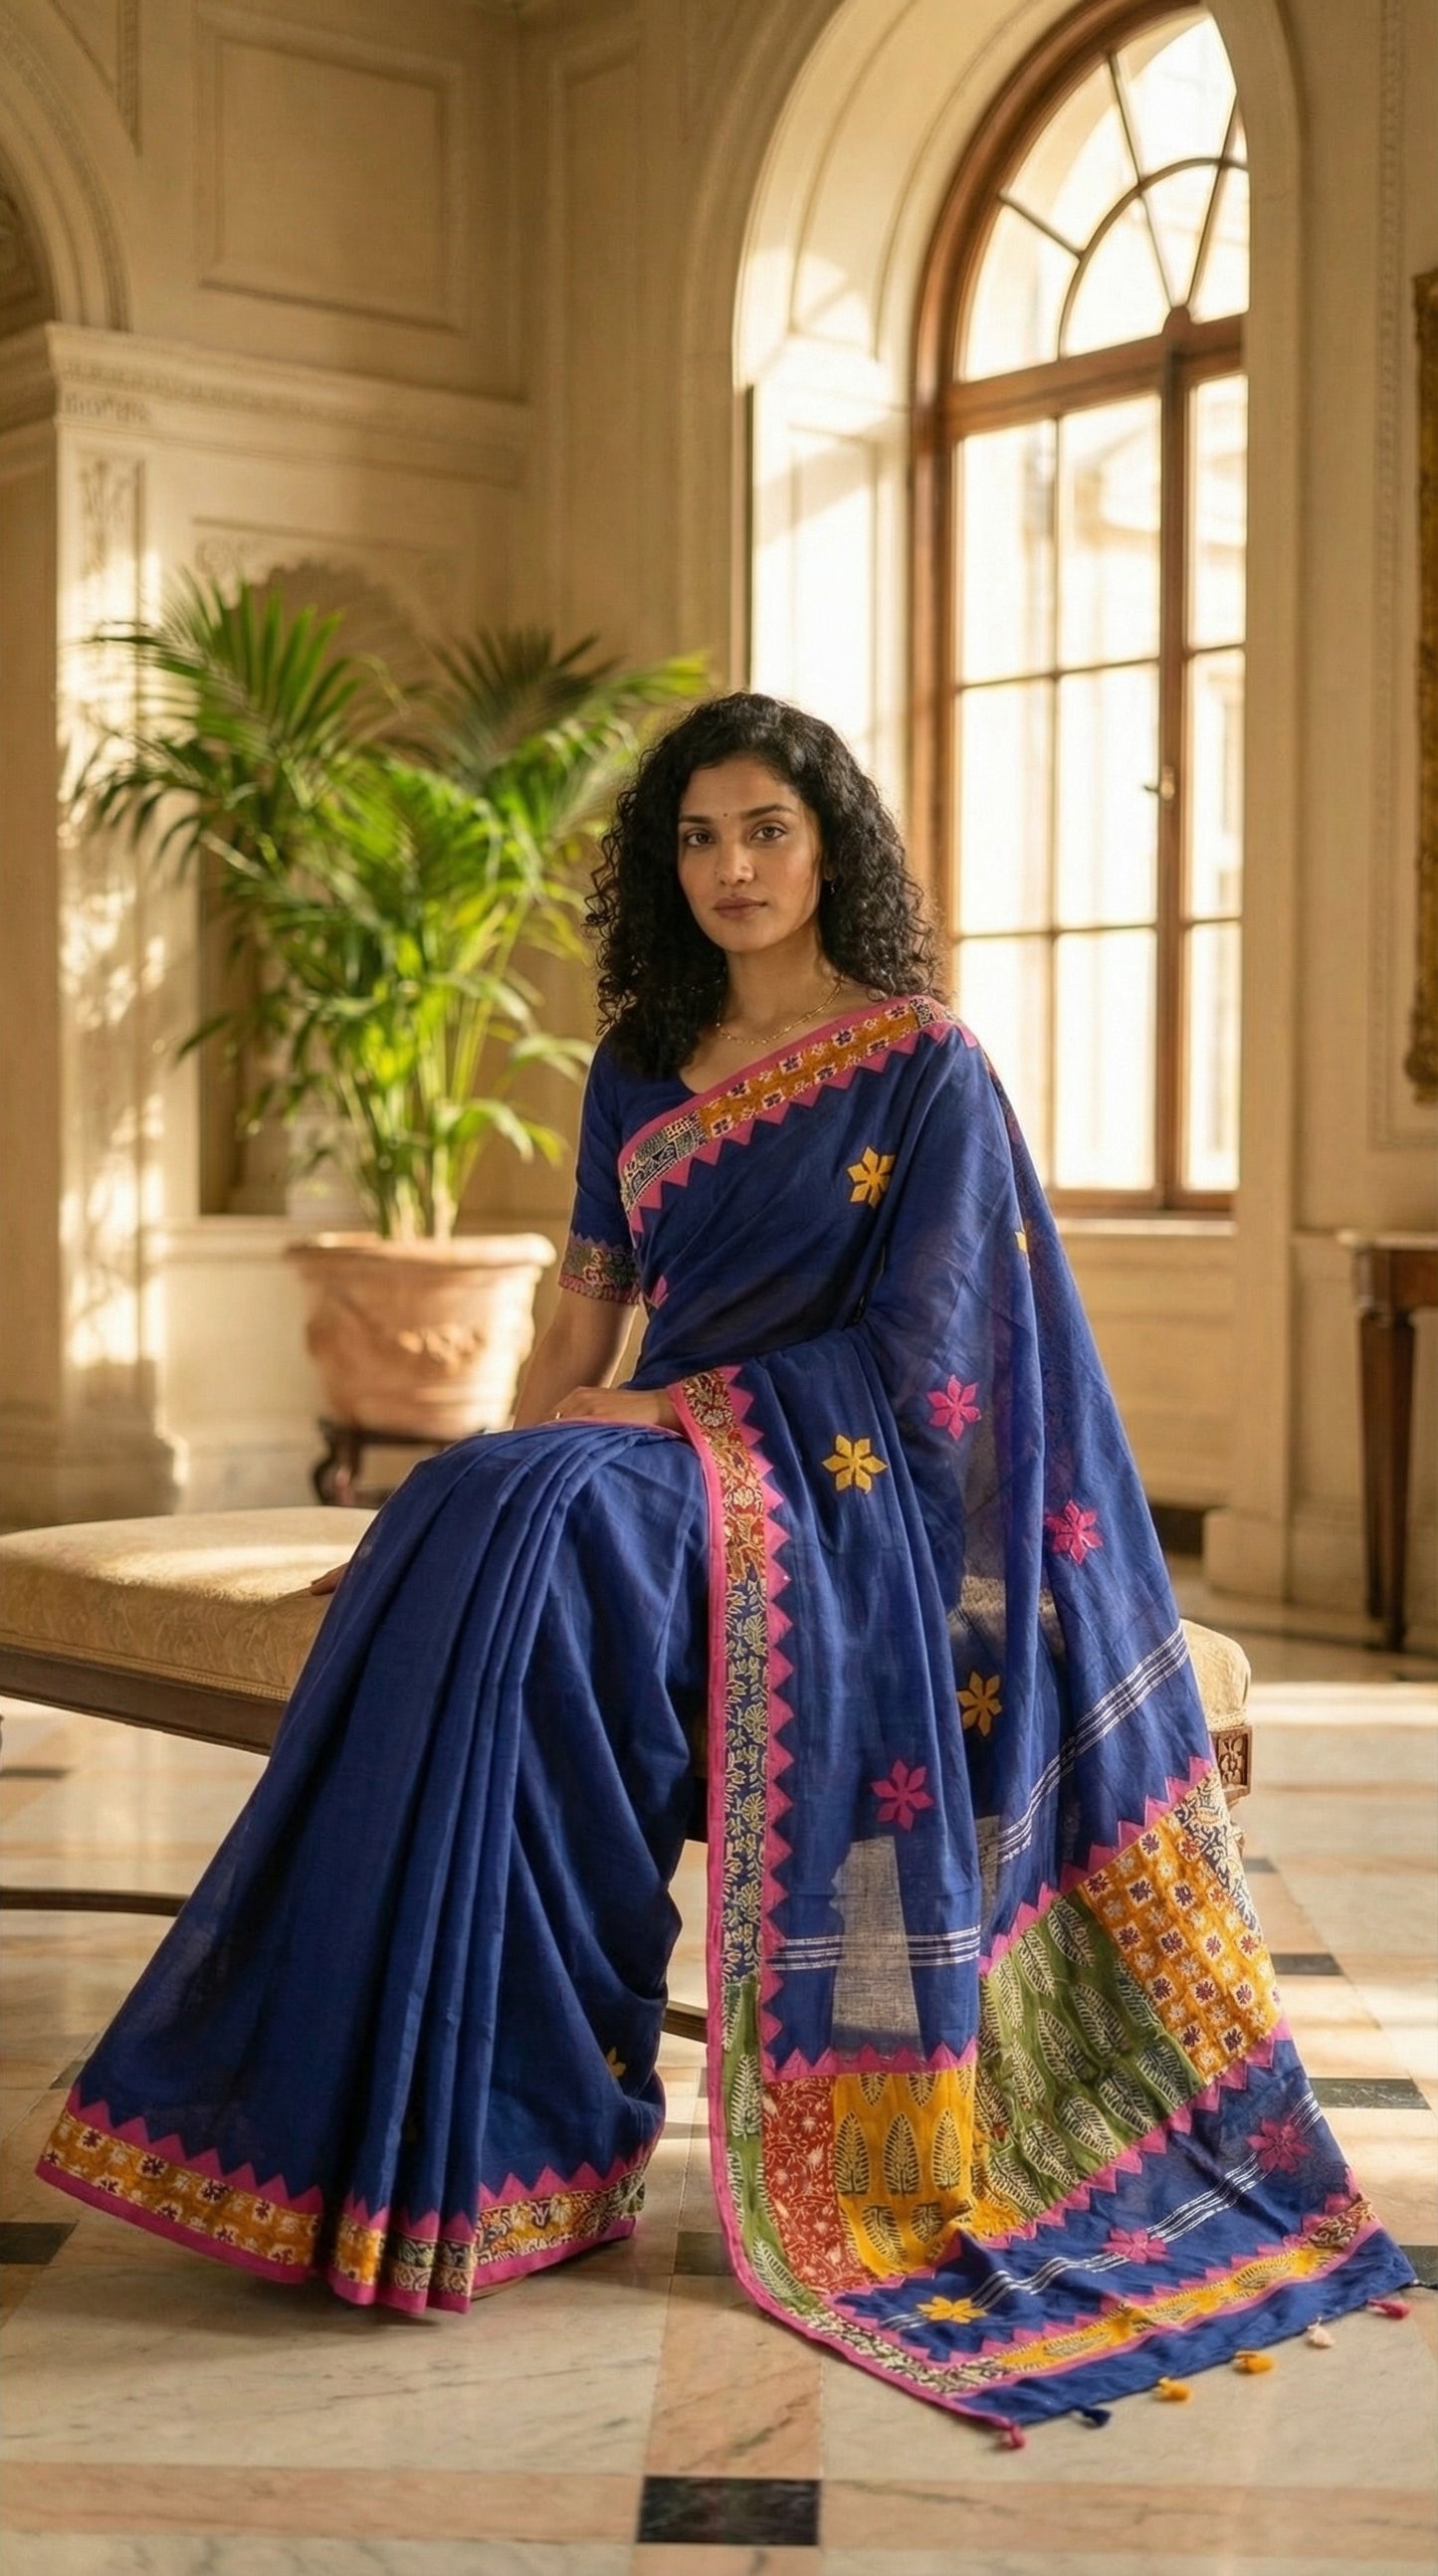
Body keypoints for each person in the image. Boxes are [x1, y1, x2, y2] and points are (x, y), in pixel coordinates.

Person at [38, 694, 1413, 2431]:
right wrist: (500, 1461)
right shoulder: (639, 1054)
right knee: (505, 1514)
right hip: (655, 1446)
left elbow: (932, 1368)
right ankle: (458, 2134)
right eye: (696, 838)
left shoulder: (921, 1063)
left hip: (841, 1493)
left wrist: (658, 1413)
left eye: (764, 829)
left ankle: (516, 2109)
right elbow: (586, 1313)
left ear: (827, 840)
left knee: (571, 1527)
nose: (731, 868)